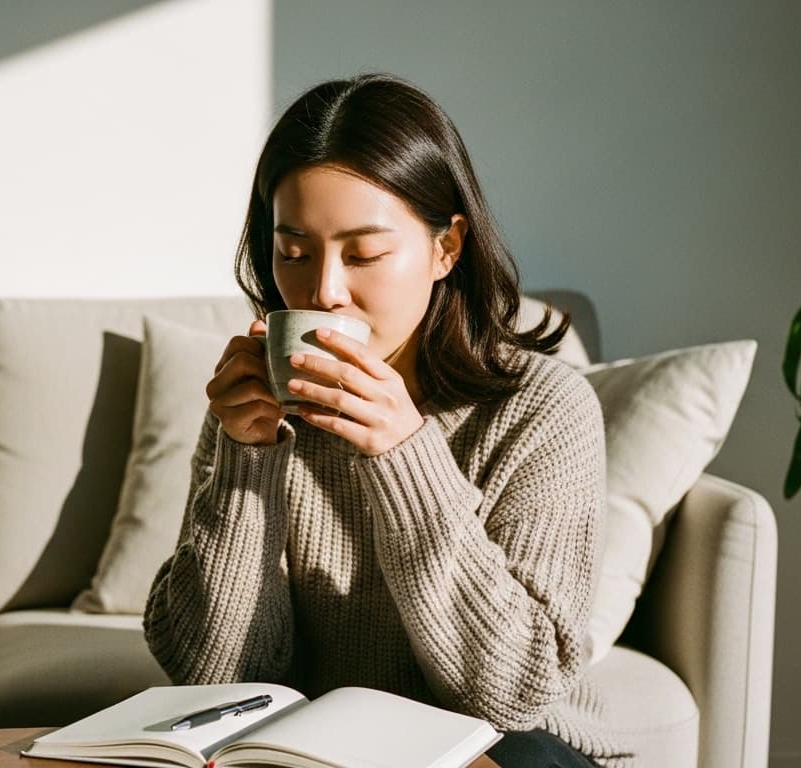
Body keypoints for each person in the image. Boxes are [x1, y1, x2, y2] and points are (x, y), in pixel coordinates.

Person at [143, 73, 628, 768]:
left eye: (364, 254)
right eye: (294, 253)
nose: (323, 292)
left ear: (446, 248)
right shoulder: (259, 405)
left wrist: (406, 456)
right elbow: (214, 677)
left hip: (501, 752)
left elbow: (512, 696)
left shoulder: (545, 407)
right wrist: (245, 460)